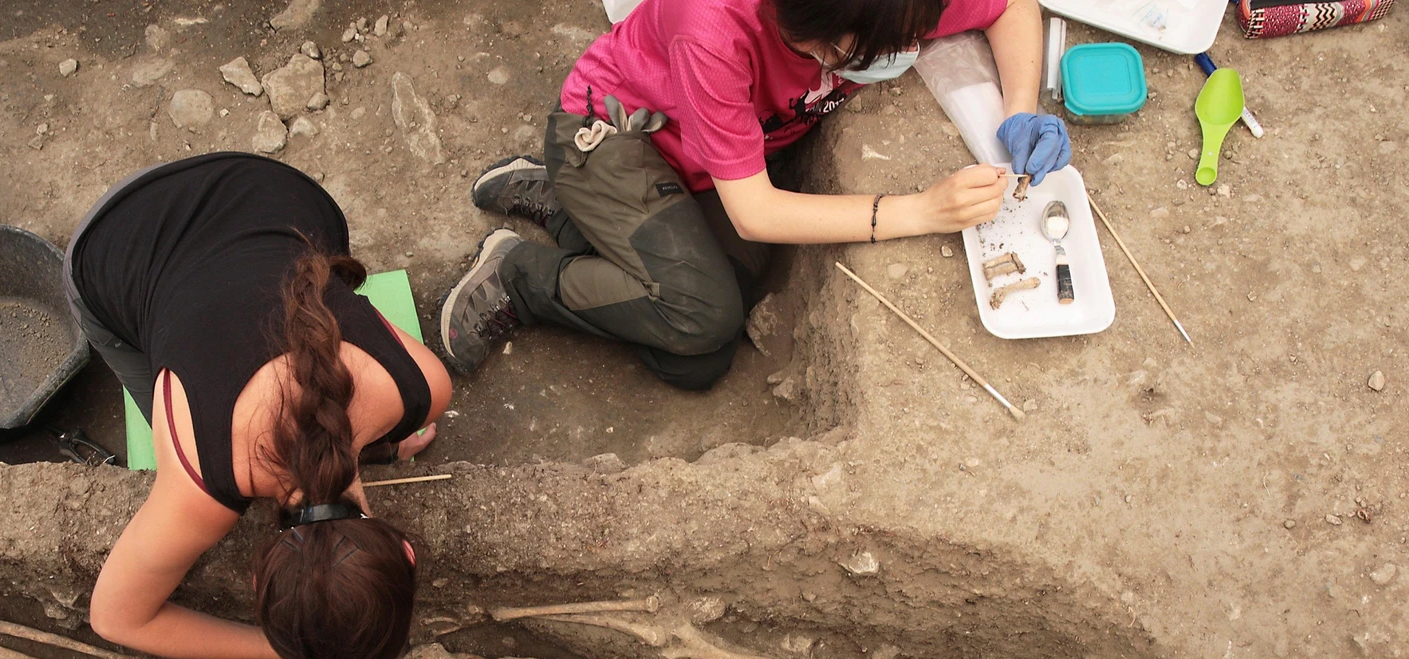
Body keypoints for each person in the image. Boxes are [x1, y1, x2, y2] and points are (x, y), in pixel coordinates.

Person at [438, 0, 1070, 390]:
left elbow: (1010, 4)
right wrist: (921, 211)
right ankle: (520, 275)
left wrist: (1022, 112)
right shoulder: (714, 24)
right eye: (866, 53)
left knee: (694, 362)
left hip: (719, 165)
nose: (903, 54)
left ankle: (571, 205)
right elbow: (758, 210)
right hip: (624, 136)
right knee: (700, 316)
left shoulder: (892, 3)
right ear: (807, 23)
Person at [62, 152, 452, 659]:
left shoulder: (423, 388)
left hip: (274, 190)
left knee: (177, 379)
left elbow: (116, 619)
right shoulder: (199, 490)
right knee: (161, 397)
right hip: (113, 242)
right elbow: (116, 619)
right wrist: (298, 650)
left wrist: (308, 648)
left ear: (406, 556)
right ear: (254, 576)